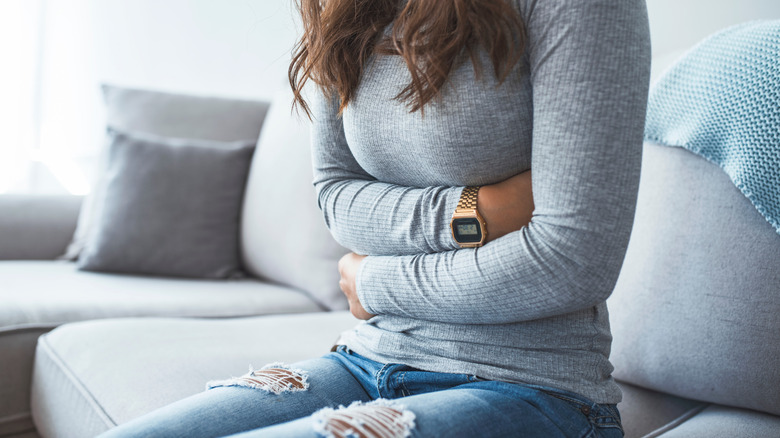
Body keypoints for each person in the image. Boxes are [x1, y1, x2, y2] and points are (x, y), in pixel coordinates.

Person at [100, 0, 651, 436]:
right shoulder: (341, 9)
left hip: (534, 388)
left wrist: (373, 280)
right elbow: (336, 197)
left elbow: (571, 262)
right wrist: (475, 212)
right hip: (367, 358)